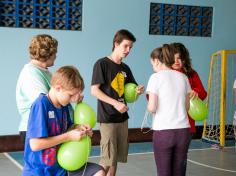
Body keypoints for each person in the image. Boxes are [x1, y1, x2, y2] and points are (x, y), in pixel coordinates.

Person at [23, 66, 105, 176]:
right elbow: (35, 144)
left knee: (99, 172)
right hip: (40, 172)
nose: (73, 99)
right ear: (58, 88)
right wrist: (69, 136)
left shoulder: (64, 105)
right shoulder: (41, 104)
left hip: (61, 169)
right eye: (71, 95)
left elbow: (68, 128)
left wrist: (79, 128)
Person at [91, 29, 144, 176]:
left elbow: (131, 92)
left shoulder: (125, 68)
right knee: (107, 159)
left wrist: (137, 91)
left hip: (122, 118)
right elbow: (94, 91)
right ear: (116, 43)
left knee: (115, 159)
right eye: (125, 46)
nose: (128, 50)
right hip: (108, 118)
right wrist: (115, 103)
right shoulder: (101, 64)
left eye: (130, 48)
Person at [146, 44, 192, 176]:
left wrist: (149, 106)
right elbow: (187, 107)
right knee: (179, 173)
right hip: (183, 132)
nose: (153, 67)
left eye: (152, 63)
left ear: (156, 60)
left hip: (164, 133)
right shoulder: (183, 77)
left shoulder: (155, 77)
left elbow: (152, 107)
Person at [171, 42, 207, 175]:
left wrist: (196, 91)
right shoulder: (164, 74)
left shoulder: (191, 74)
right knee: (167, 159)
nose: (176, 61)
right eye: (174, 58)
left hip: (187, 125)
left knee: (181, 159)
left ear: (184, 59)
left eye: (179, 58)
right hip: (168, 124)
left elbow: (203, 93)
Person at [16, 34, 58, 143]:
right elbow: (43, 101)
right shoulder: (31, 73)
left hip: (44, 126)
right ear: (48, 54)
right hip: (34, 129)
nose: (56, 56)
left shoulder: (44, 71)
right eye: (55, 53)